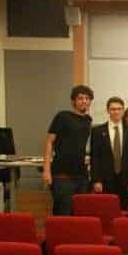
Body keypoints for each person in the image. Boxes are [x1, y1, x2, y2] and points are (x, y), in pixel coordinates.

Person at [43, 85, 94, 215]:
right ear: (73, 101)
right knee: (63, 212)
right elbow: (49, 142)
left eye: (87, 98)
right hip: (62, 175)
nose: (84, 101)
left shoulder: (88, 120)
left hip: (81, 175)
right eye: (80, 98)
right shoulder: (62, 116)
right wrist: (46, 170)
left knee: (80, 213)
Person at [90, 96, 128, 209]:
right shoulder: (98, 131)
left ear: (123, 110)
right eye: (113, 109)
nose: (116, 112)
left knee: (126, 211)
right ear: (108, 110)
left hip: (126, 180)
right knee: (106, 210)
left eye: (119, 109)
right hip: (105, 180)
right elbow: (95, 157)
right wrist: (96, 180)